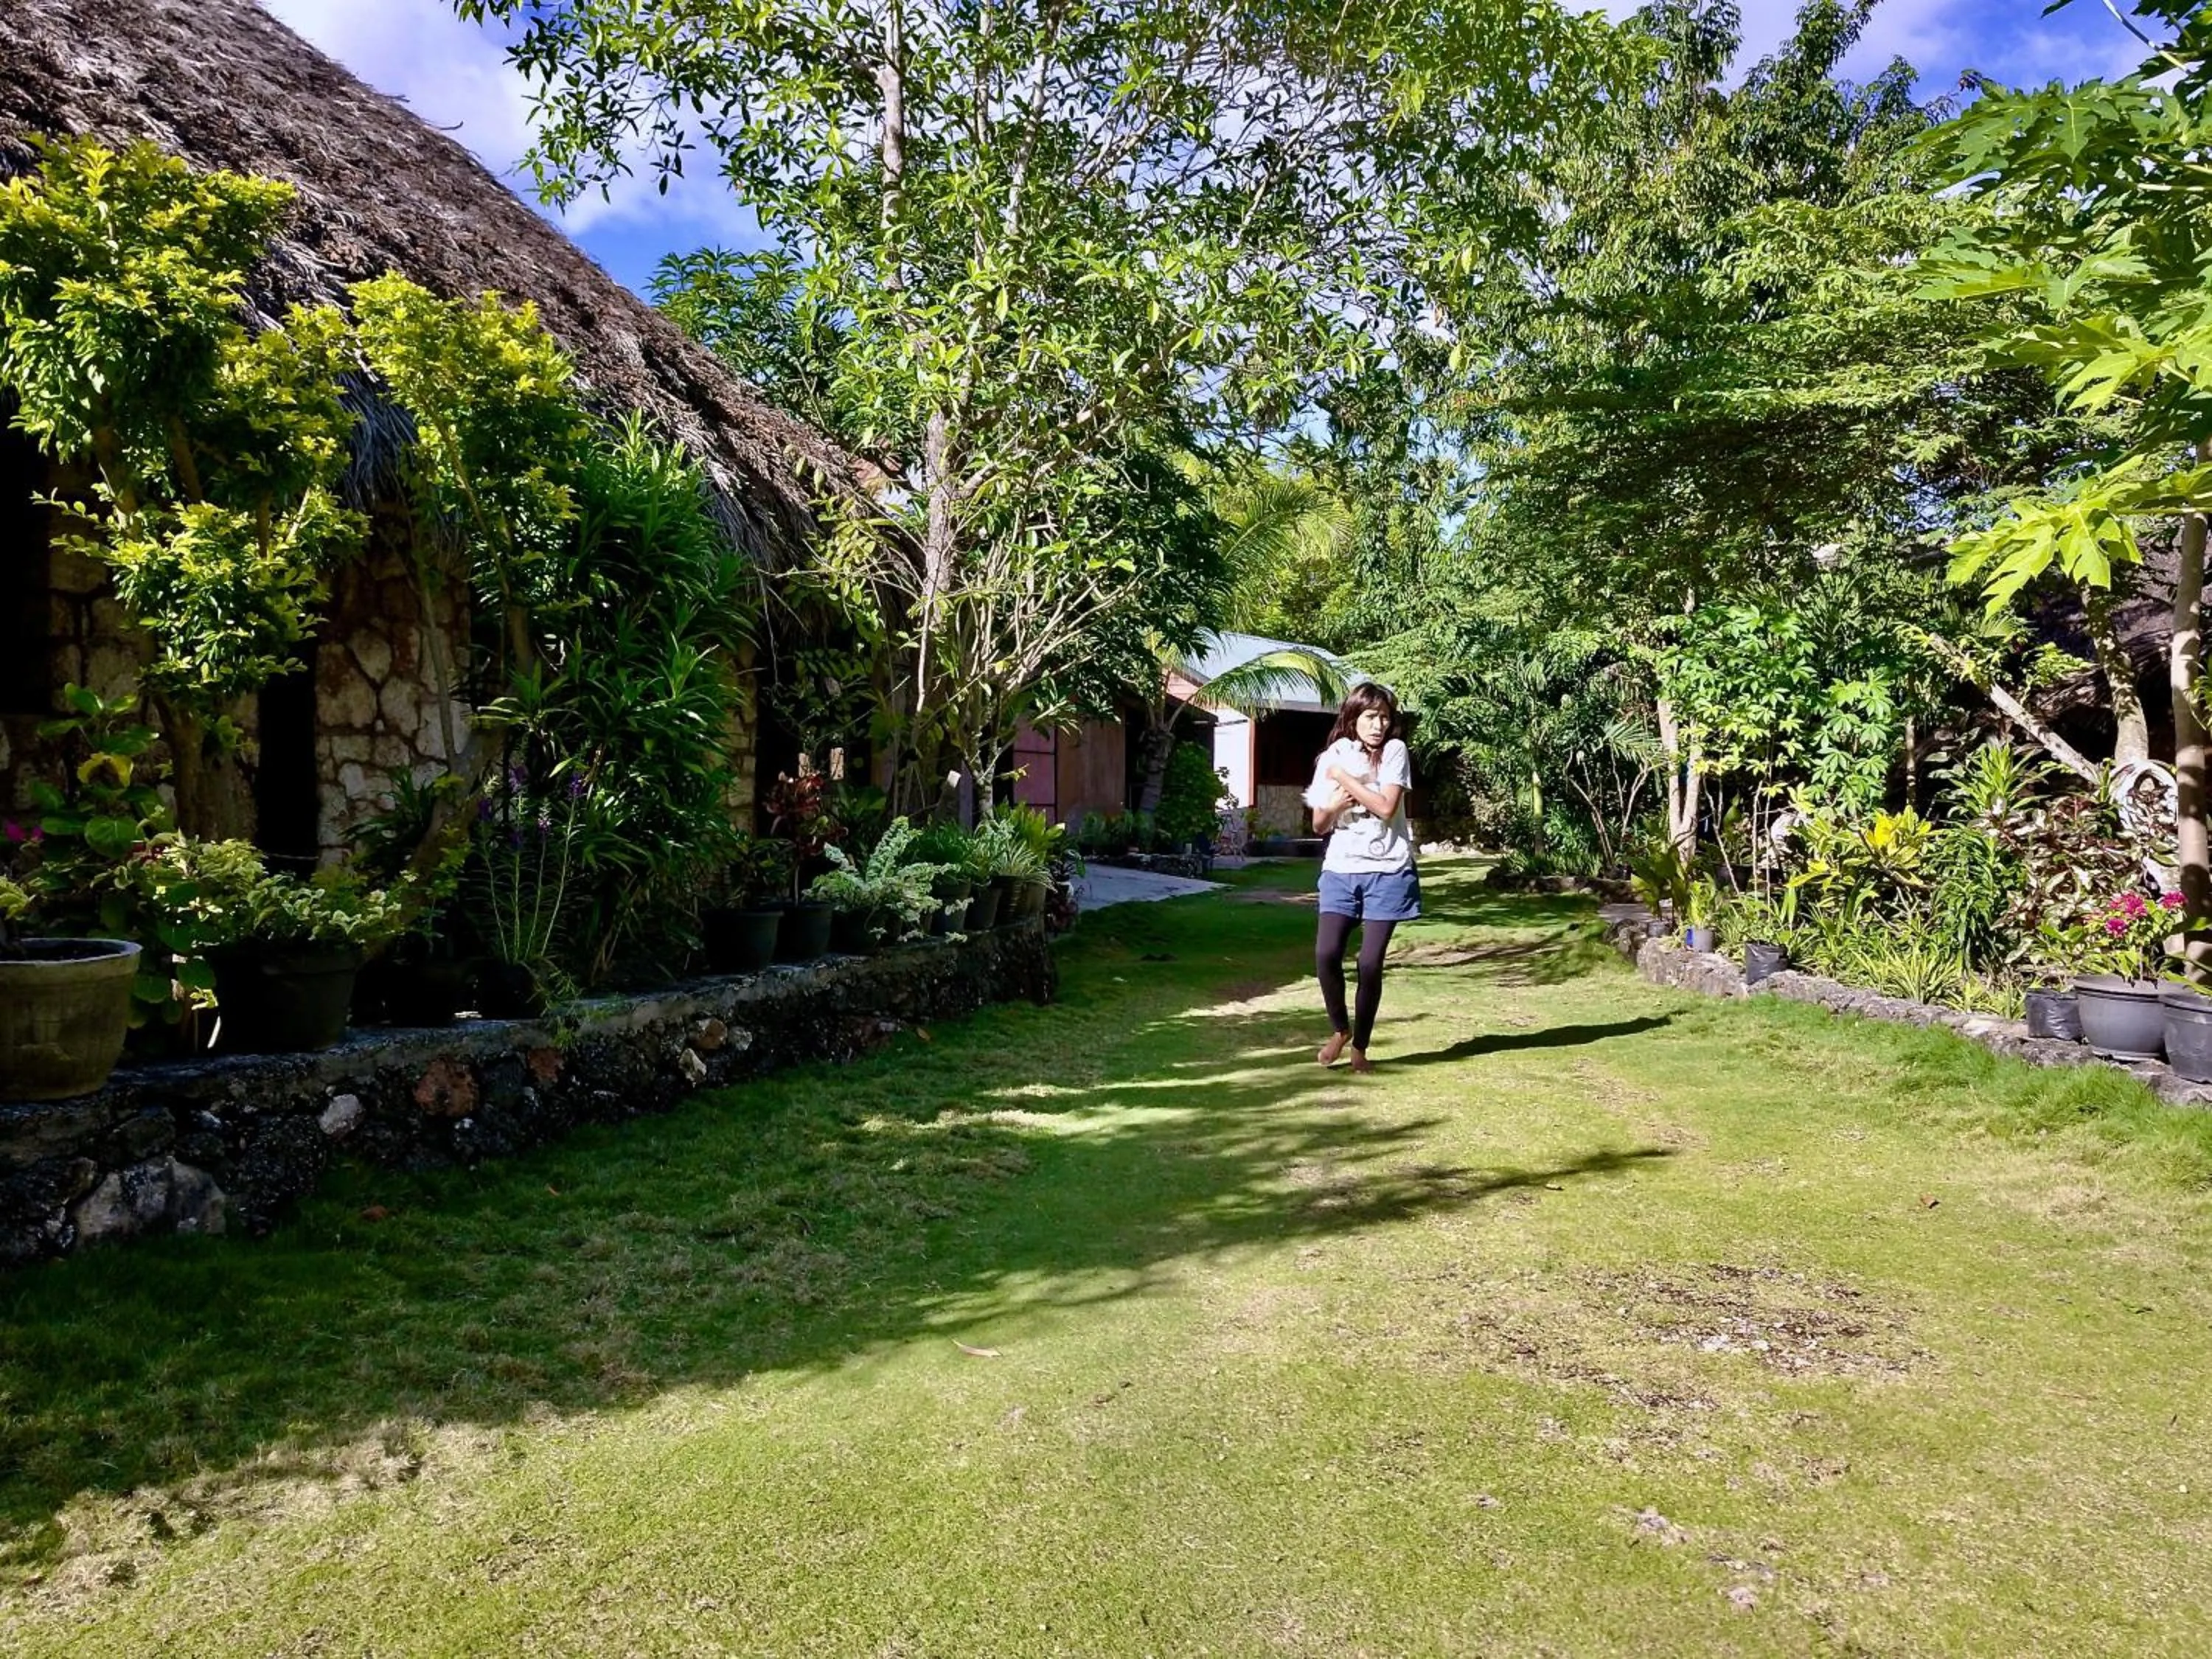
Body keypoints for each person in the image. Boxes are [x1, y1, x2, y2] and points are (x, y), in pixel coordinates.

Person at [1307, 682, 1418, 1072]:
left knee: (1369, 963)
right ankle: (1341, 1030)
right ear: (1353, 718)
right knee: (1325, 955)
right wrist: (1334, 803)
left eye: (1385, 717)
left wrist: (1346, 779)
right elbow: (1320, 824)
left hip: (1388, 870)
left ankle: (1361, 1050)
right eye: (1371, 717)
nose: (1379, 725)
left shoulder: (1394, 752)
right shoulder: (1333, 757)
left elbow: (1387, 807)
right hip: (1340, 869)